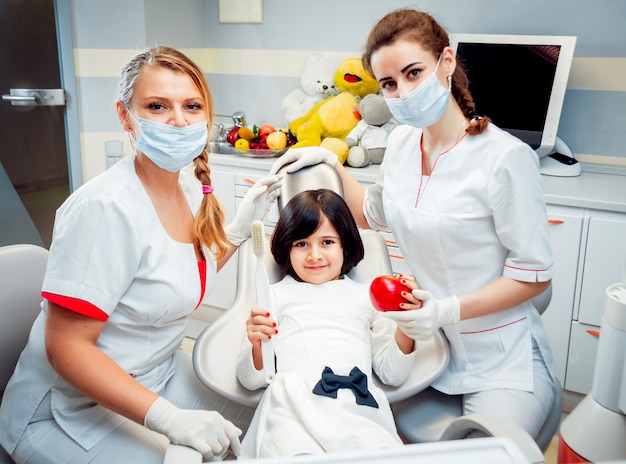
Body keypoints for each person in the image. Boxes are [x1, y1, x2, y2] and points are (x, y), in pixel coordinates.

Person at [269, 9, 558, 441]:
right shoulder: (403, 142)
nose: (402, 92)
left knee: (485, 452)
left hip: (498, 357)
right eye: (389, 83)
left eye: (413, 73)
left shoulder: (505, 159)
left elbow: (534, 277)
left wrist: (445, 309)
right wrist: (332, 164)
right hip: (424, 348)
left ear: (446, 63)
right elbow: (373, 213)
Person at [0, 45, 282, 463]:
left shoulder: (188, 187)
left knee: (274, 420)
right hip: (66, 410)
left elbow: (177, 275)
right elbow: (67, 349)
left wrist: (236, 232)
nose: (179, 121)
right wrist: (170, 420)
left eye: (191, 106)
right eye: (157, 106)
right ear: (124, 115)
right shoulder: (105, 209)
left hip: (158, 374)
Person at [236, 189, 416, 458]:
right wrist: (256, 346)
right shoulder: (273, 295)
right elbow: (250, 380)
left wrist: (408, 323)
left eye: (327, 242)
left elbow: (393, 373)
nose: (315, 256)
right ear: (286, 248)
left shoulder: (367, 296)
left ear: (346, 244)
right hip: (293, 411)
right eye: (302, 244)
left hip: (358, 408)